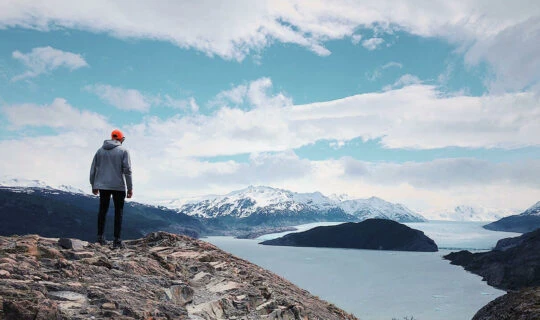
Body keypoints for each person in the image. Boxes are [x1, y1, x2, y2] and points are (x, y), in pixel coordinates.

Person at [90, 129, 133, 248]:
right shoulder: (123, 151)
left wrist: (94, 184)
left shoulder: (100, 151)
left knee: (102, 210)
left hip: (103, 186)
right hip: (118, 186)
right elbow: (127, 171)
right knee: (118, 212)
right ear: (121, 139)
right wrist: (130, 188)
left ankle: (100, 238)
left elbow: (93, 168)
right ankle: (117, 241)